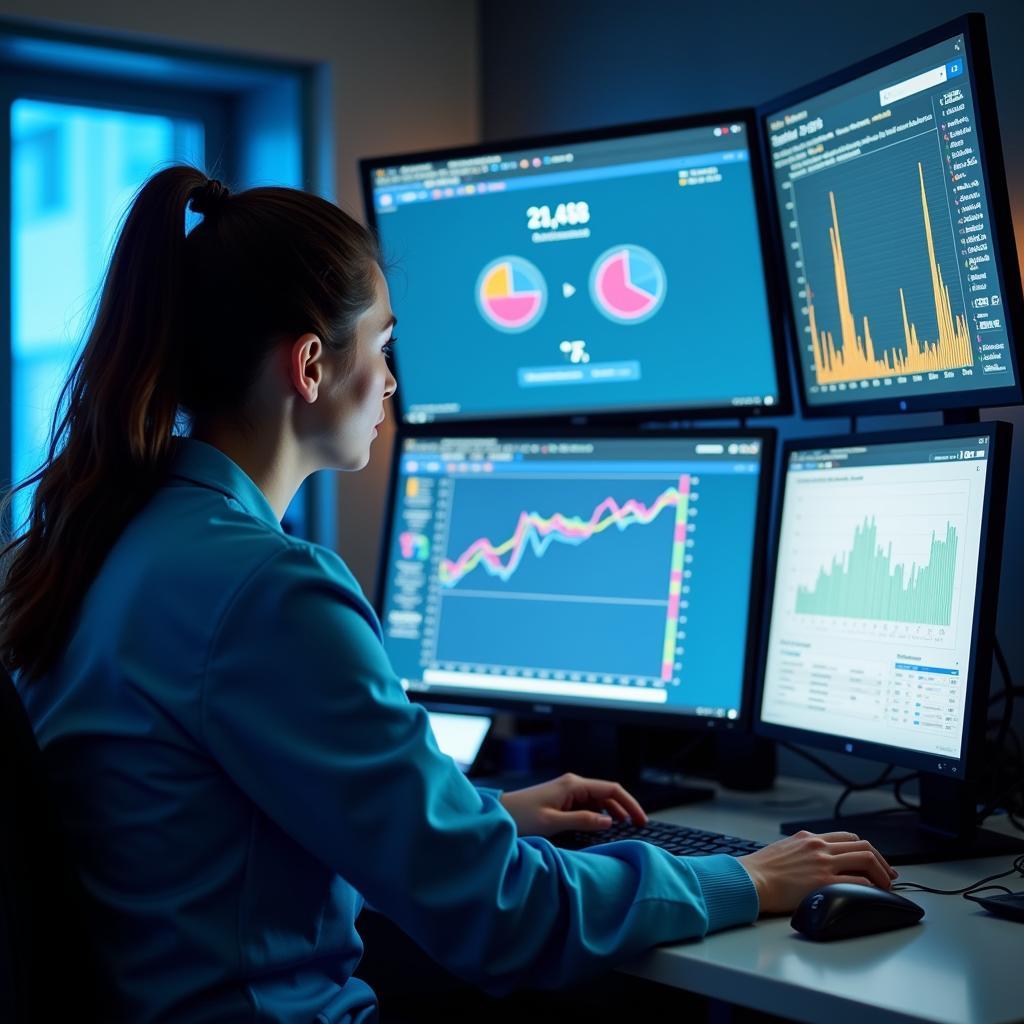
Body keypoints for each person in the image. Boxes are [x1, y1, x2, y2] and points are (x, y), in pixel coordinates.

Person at [0, 166, 896, 1024]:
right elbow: (502, 918)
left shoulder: (85, 546)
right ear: (311, 366)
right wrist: (750, 878)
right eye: (383, 347)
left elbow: (204, 827)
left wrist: (482, 817)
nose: (391, 382)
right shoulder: (269, 592)